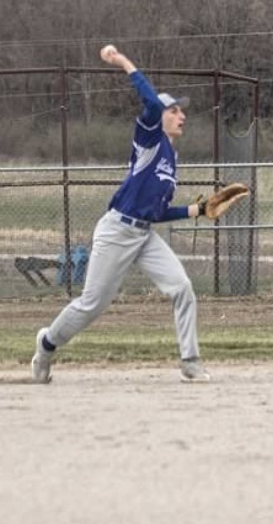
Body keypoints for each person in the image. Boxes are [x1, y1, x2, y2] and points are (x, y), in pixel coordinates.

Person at [31, 44, 211, 384]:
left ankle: (190, 360)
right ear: (160, 116)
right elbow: (150, 102)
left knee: (182, 287)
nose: (181, 115)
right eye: (174, 110)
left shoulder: (171, 160)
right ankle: (46, 345)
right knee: (91, 305)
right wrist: (123, 61)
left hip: (143, 235)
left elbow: (156, 212)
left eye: (180, 111)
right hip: (117, 231)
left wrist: (197, 209)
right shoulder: (149, 142)